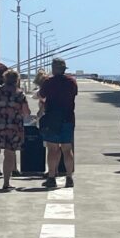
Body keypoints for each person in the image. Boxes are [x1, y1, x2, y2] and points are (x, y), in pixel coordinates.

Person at [0, 69, 31, 190]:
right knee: (9, 154)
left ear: (4, 79)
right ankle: (6, 183)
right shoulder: (19, 94)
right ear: (17, 80)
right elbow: (26, 113)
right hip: (13, 128)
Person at [38, 57, 77, 188]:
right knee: (67, 149)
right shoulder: (71, 82)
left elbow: (41, 95)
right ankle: (69, 177)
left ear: (54, 69)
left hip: (52, 119)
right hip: (68, 118)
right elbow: (73, 95)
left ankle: (51, 177)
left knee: (52, 149)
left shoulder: (49, 82)